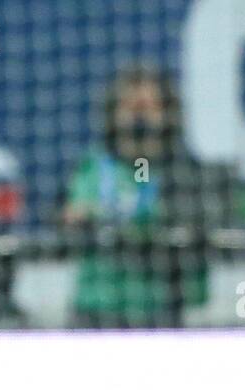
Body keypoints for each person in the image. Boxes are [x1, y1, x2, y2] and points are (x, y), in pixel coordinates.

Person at [59, 64, 234, 328]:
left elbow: (201, 222)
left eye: (149, 107)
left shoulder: (185, 172)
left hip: (159, 311)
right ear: (113, 113)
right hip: (95, 311)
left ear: (168, 114)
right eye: (130, 107)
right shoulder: (92, 167)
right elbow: (69, 215)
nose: (138, 117)